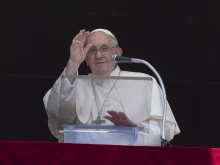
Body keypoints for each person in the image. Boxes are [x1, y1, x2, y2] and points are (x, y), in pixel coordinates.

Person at [43, 28, 180, 146]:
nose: (98, 55)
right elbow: (58, 113)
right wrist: (73, 63)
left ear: (118, 52)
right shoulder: (73, 82)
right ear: (85, 57)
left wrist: (134, 128)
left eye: (105, 48)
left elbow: (164, 130)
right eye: (91, 50)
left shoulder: (145, 81)